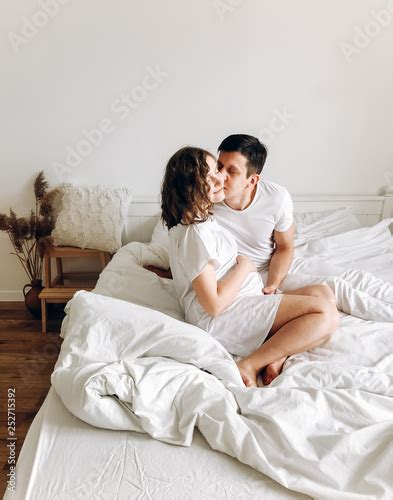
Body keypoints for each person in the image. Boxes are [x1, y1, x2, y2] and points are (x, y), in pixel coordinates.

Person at [161, 146, 340, 388]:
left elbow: (195, 269)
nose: (220, 178)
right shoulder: (194, 233)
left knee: (324, 294)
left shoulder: (202, 219)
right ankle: (250, 363)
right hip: (223, 316)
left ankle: (278, 354)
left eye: (218, 170)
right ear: (189, 187)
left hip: (243, 300)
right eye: (209, 176)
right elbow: (213, 305)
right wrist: (244, 268)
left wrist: (265, 281)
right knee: (326, 315)